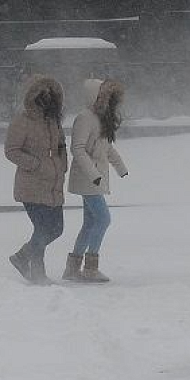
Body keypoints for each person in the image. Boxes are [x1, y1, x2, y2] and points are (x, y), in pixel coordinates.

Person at [4, 74, 68, 285]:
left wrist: (62, 165)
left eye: (52, 96)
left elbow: (61, 146)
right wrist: (36, 165)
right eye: (44, 96)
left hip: (53, 184)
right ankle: (37, 271)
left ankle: (22, 257)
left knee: (56, 228)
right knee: (43, 228)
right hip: (31, 185)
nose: (48, 101)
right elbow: (12, 150)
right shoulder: (23, 121)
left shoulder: (54, 121)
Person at [64, 78, 129, 283]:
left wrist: (120, 167)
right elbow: (77, 148)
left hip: (95, 179)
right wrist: (93, 175)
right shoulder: (84, 118)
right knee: (103, 219)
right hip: (88, 179)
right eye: (104, 96)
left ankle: (72, 269)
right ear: (95, 97)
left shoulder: (100, 119)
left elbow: (106, 147)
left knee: (90, 222)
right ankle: (90, 268)